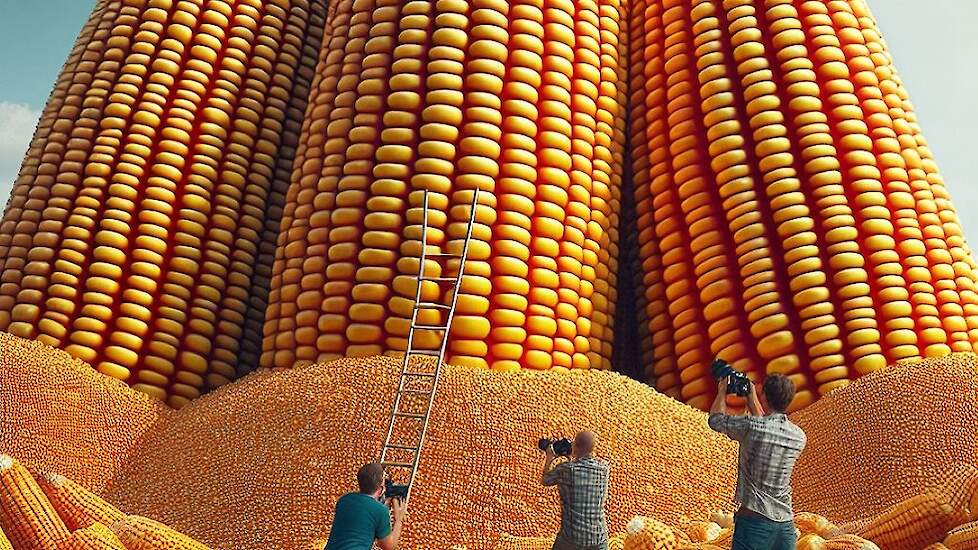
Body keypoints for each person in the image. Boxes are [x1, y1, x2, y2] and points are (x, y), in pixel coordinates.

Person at [708, 373, 807, 550]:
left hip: (754, 524)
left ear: (765, 397)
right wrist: (753, 398)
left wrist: (722, 391)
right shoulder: (798, 437)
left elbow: (715, 420)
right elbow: (767, 428)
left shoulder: (750, 426)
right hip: (785, 526)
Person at [541, 431, 610, 550]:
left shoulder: (567, 470)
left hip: (571, 539)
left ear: (575, 446)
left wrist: (550, 457)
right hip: (599, 539)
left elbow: (545, 480)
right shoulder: (604, 469)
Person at [324, 462, 405, 550]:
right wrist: (399, 519)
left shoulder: (344, 500)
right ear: (382, 487)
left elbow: (363, 515)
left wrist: (385, 503)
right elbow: (388, 546)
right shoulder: (380, 511)